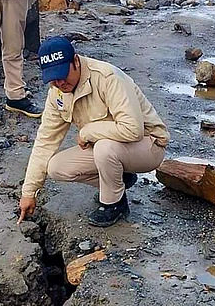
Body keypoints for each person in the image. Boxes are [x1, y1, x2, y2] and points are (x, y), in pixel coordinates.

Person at [18, 37, 170, 227]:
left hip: (148, 146)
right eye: (53, 78)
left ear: (75, 61)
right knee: (56, 167)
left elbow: (133, 129)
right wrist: (29, 192)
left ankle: (114, 204)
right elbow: (45, 141)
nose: (59, 83)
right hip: (112, 148)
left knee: (105, 148)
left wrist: (88, 131)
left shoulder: (107, 77)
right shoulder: (57, 92)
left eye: (62, 74)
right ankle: (120, 178)